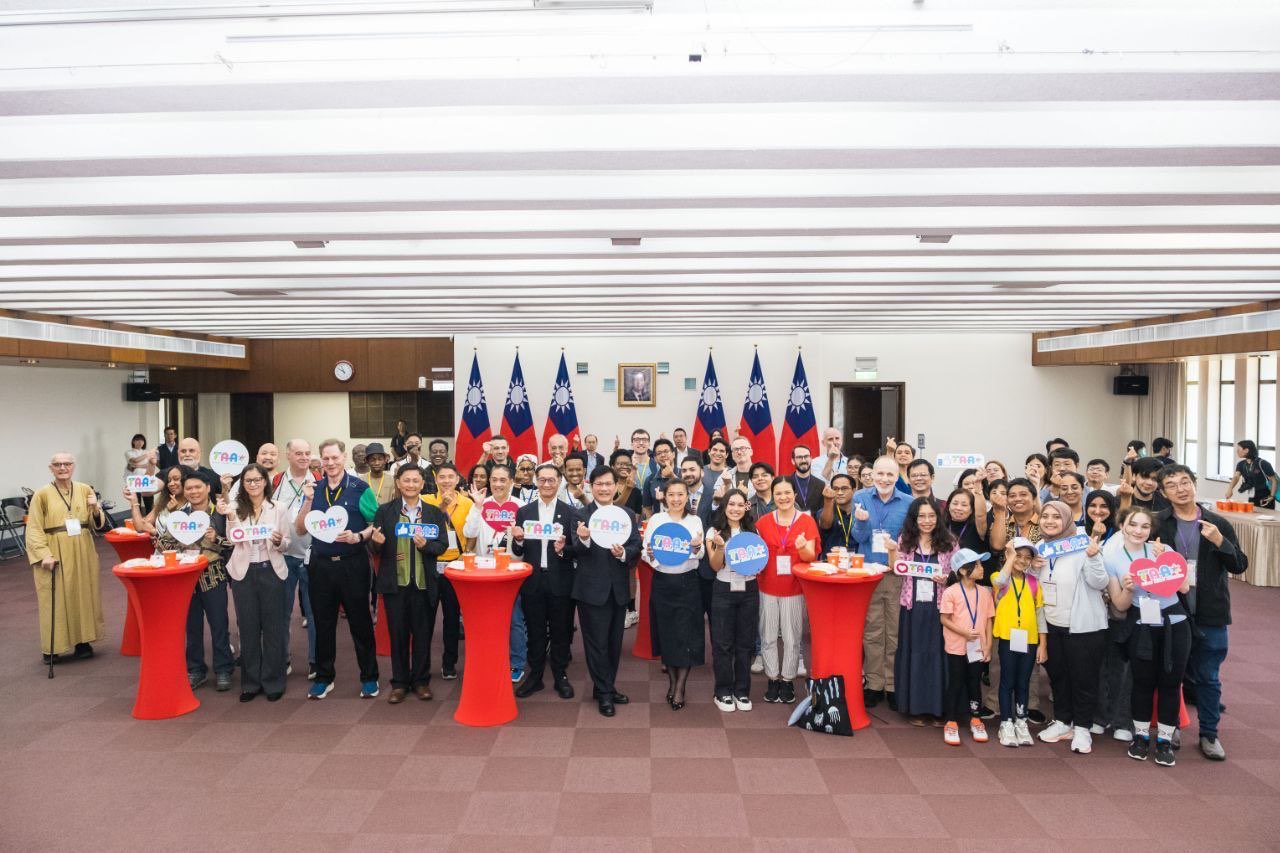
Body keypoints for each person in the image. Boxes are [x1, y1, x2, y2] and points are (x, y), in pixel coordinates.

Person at [1154, 464, 1246, 761]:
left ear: (1194, 484)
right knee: (1171, 674)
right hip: (1171, 611)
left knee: (1208, 676)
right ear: (1163, 493)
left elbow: (1239, 565)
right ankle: (1172, 727)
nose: (1180, 489)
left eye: (1185, 482)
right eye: (1172, 485)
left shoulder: (1216, 523)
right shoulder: (1159, 524)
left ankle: (1209, 734)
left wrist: (1220, 542)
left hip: (1210, 612)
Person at [294, 439, 379, 700]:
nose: (330, 463)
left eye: (335, 458)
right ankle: (324, 677)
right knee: (323, 623)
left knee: (360, 622)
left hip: (353, 564)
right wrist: (307, 501)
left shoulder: (360, 488)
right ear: (320, 461)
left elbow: (375, 524)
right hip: (321, 566)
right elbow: (299, 529)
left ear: (344, 458)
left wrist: (359, 536)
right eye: (326, 459)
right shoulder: (313, 489)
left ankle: (369, 677)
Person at [1101, 508, 1178, 762]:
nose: (1138, 530)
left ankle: (1165, 741)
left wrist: (1164, 561)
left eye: (1145, 527)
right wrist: (1129, 588)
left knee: (1170, 682)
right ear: (1122, 525)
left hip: (1174, 621)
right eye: (1133, 524)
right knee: (1142, 681)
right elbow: (1120, 605)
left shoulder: (1162, 550)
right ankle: (1142, 737)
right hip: (1140, 622)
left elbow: (1184, 586)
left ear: (1151, 530)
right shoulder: (1111, 557)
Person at [369, 465, 449, 704]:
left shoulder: (434, 513)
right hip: (397, 584)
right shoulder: (385, 512)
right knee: (399, 635)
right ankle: (400, 682)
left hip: (425, 584)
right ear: (399, 483)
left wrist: (426, 545)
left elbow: (442, 545)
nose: (411, 485)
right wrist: (377, 543)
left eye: (416, 481)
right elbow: (374, 547)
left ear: (423, 484)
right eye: (407, 480)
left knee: (423, 635)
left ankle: (422, 681)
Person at [1034, 501, 1109, 754]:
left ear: (1067, 520)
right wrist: (1033, 569)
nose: (1050, 521)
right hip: (1051, 626)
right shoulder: (1040, 548)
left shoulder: (1082, 545)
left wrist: (1094, 556)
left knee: (1083, 679)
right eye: (1045, 516)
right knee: (1059, 677)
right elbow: (1037, 591)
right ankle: (1064, 721)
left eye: (1057, 517)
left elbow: (1100, 583)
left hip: (1084, 627)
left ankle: (1083, 728)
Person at [572, 466, 643, 716]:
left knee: (614, 644)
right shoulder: (580, 515)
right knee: (596, 644)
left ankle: (606, 686)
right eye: (598, 484)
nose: (603, 488)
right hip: (591, 590)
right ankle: (603, 693)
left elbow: (637, 544)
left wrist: (624, 553)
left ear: (616, 487)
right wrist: (583, 539)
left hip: (619, 590)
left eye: (608, 484)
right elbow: (574, 551)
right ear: (591, 486)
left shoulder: (625, 514)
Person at [219, 463, 291, 702]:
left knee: (273, 628)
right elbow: (231, 539)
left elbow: (287, 543)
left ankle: (273, 681)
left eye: (257, 480)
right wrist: (229, 515)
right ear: (244, 484)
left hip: (271, 570)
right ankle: (250, 683)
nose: (253, 484)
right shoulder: (236, 507)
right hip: (243, 573)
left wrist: (280, 541)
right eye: (248, 480)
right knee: (248, 628)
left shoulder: (278, 507)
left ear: (265, 482)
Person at [26, 453, 107, 664]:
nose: (63, 467)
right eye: (58, 464)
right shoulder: (42, 494)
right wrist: (44, 554)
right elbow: (34, 528)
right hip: (54, 549)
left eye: (67, 464)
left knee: (82, 593)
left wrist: (96, 508)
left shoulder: (84, 489)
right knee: (54, 598)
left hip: (82, 548)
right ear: (50, 468)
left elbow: (95, 523)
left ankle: (83, 642)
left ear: (73, 466)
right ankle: (53, 647)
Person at [510, 463, 579, 699]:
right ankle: (535, 676)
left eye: (551, 480)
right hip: (533, 581)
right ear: (536, 481)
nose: (547, 484)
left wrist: (563, 549)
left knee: (561, 631)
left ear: (559, 482)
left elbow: (576, 549)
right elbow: (517, 550)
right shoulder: (525, 512)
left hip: (561, 580)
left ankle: (560, 675)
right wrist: (517, 540)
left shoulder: (570, 512)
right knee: (536, 631)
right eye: (542, 480)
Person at [886, 498, 956, 725]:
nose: (927, 521)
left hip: (939, 607)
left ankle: (937, 709)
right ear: (914, 519)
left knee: (937, 656)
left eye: (931, 516)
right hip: (913, 607)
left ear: (938, 517)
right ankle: (915, 708)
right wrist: (891, 552)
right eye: (922, 516)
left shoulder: (950, 542)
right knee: (914, 655)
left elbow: (958, 572)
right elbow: (897, 569)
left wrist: (947, 579)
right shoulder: (906, 540)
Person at [163, 469, 233, 691]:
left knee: (219, 625)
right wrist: (172, 533)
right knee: (191, 627)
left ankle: (223, 669)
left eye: (198, 487)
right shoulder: (178, 516)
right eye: (189, 488)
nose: (193, 492)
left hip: (213, 575)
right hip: (186, 579)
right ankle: (195, 669)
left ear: (208, 488)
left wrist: (218, 538)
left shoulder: (220, 513)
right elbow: (162, 546)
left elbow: (235, 543)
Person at [851, 455, 912, 709]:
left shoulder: (909, 502)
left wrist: (899, 546)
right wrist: (863, 522)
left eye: (890, 475)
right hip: (870, 574)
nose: (885, 479)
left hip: (897, 574)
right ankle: (874, 684)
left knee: (895, 631)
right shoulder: (860, 498)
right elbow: (858, 537)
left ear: (897, 476)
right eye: (880, 474)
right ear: (872, 475)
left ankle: (892, 684)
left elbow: (913, 539)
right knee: (873, 631)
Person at [642, 479, 706, 710]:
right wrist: (650, 553)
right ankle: (672, 681)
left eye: (681, 494)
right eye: (672, 495)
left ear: (687, 497)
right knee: (666, 634)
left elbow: (700, 555)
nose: (676, 499)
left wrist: (697, 548)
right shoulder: (657, 520)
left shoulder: (695, 520)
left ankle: (680, 687)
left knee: (686, 635)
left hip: (688, 584)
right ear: (665, 497)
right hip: (663, 583)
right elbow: (645, 552)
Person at [462, 464, 529, 683]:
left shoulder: (522, 507)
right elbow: (468, 532)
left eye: (503, 480)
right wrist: (477, 507)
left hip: (511, 572)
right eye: (494, 480)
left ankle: (517, 662)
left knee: (515, 619)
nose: (498, 484)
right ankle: (488, 658)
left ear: (511, 482)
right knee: (484, 618)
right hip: (485, 571)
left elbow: (526, 541)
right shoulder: (482, 504)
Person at [755, 478, 817, 704]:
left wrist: (802, 547)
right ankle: (772, 678)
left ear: (795, 494)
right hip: (767, 586)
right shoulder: (762, 522)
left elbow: (811, 556)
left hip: (794, 588)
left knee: (792, 637)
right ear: (773, 495)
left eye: (787, 493)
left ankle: (788, 680)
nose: (783, 497)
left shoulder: (806, 522)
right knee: (768, 635)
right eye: (778, 493)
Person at [991, 538, 1046, 747]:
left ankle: (1021, 721)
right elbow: (1000, 583)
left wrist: (1043, 644)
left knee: (1023, 681)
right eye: (1018, 556)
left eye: (1027, 557)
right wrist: (1010, 556)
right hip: (1007, 637)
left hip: (1029, 639)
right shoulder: (999, 577)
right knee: (1007, 681)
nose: (1022, 561)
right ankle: (1005, 722)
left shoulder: (1033, 583)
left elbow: (1040, 614)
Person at [272, 439, 320, 680]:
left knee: (314, 614)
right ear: (287, 455)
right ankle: (283, 658)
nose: (303, 457)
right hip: (283, 555)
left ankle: (314, 661)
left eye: (307, 453)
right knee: (281, 613)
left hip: (313, 557)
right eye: (298, 453)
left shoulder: (320, 482)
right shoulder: (276, 481)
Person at [939, 549, 994, 745]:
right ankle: (951, 722)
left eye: (980, 564)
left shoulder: (984, 593)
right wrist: (963, 633)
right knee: (955, 682)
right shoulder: (951, 592)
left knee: (974, 682)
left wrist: (987, 644)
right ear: (963, 570)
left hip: (977, 648)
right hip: (956, 646)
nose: (981, 569)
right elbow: (944, 619)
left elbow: (989, 620)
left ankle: (976, 718)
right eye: (977, 565)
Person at [423, 463, 471, 680]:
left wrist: (466, 553)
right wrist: (442, 506)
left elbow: (472, 534)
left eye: (451, 476)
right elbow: (426, 528)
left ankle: (449, 663)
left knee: (452, 619)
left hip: (455, 566)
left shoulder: (468, 503)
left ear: (458, 479)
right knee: (425, 618)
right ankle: (422, 666)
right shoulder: (426, 501)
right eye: (442, 477)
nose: (446, 481)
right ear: (436, 479)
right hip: (431, 565)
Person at [1226, 439, 1278, 507]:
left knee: (1265, 517)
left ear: (1246, 450)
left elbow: (1274, 480)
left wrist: (1271, 496)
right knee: (1251, 516)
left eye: (1239, 449)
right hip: (1252, 497)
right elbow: (1236, 477)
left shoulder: (1263, 463)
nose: (1237, 451)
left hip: (1265, 498)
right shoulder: (1241, 464)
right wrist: (1230, 489)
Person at [788, 446, 827, 515]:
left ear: (811, 459)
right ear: (793, 461)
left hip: (814, 524)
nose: (803, 460)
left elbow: (822, 512)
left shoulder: (821, 484)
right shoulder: (785, 483)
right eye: (799, 457)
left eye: (806, 456)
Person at [359, 442, 396, 506]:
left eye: (380, 459)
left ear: (385, 460)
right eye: (373, 460)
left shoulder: (392, 480)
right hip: (366, 515)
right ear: (367, 461)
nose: (377, 463)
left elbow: (397, 501)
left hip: (386, 515)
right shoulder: (361, 480)